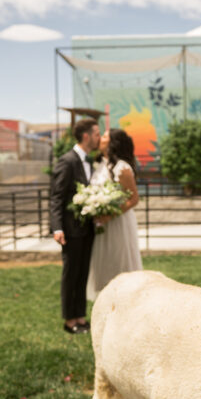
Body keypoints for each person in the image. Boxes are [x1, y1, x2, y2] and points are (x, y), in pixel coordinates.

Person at [50, 118, 101, 334]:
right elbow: (56, 196)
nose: (99, 137)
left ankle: (80, 317)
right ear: (87, 136)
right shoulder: (67, 161)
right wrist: (57, 227)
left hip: (88, 229)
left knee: (82, 274)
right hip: (70, 230)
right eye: (97, 134)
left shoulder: (89, 161)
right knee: (71, 274)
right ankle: (69, 320)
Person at [87, 128, 143, 300]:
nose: (100, 139)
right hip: (102, 226)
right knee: (104, 264)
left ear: (112, 143)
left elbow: (133, 199)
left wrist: (109, 215)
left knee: (119, 262)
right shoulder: (99, 165)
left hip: (118, 223)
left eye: (104, 136)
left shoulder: (122, 168)